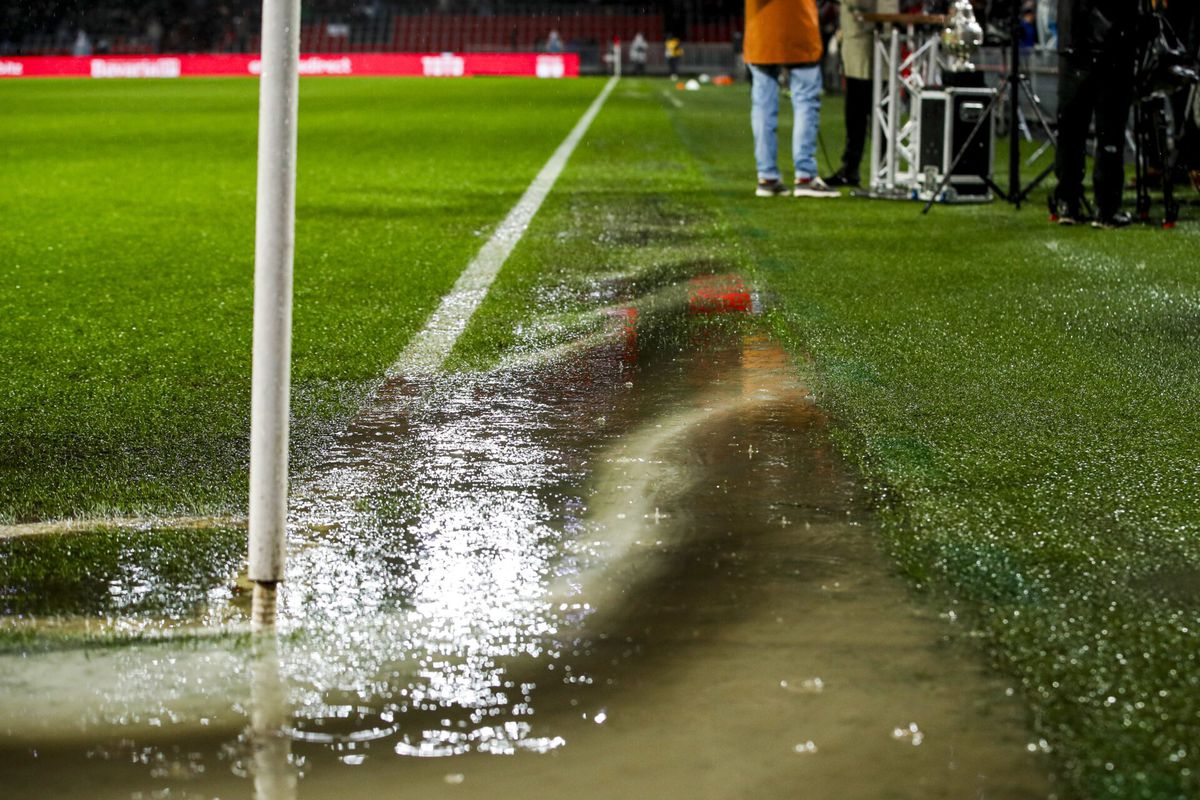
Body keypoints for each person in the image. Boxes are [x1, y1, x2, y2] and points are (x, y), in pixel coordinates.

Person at [1049, 0, 1138, 228]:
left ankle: (1068, 204)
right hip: (1112, 48)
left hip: (1072, 50)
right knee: (1109, 129)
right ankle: (1106, 209)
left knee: (1071, 130)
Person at [745, 0, 840, 197]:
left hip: (760, 31)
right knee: (805, 101)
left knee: (763, 106)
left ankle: (767, 178)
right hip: (798, 25)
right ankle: (805, 176)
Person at [825, 0, 898, 188]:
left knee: (863, 111)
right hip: (864, 38)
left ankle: (873, 170)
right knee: (862, 112)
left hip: (867, 39)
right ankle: (862, 168)